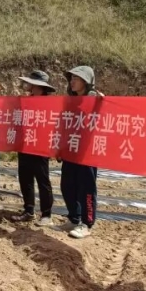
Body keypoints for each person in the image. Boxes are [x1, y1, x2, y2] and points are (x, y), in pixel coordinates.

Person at [11, 71, 55, 226]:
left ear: (38, 86)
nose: (28, 85)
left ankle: (46, 215)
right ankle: (28, 210)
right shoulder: (25, 101)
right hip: (25, 145)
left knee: (43, 180)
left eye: (31, 83)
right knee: (25, 178)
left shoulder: (49, 104)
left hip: (40, 148)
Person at [60, 65, 100, 239]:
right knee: (67, 185)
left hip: (87, 153)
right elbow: (63, 125)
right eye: (71, 78)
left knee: (86, 188)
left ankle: (86, 223)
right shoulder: (70, 102)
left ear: (86, 81)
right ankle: (74, 218)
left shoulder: (95, 100)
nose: (72, 81)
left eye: (76, 78)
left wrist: (100, 101)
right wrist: (59, 147)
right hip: (71, 149)